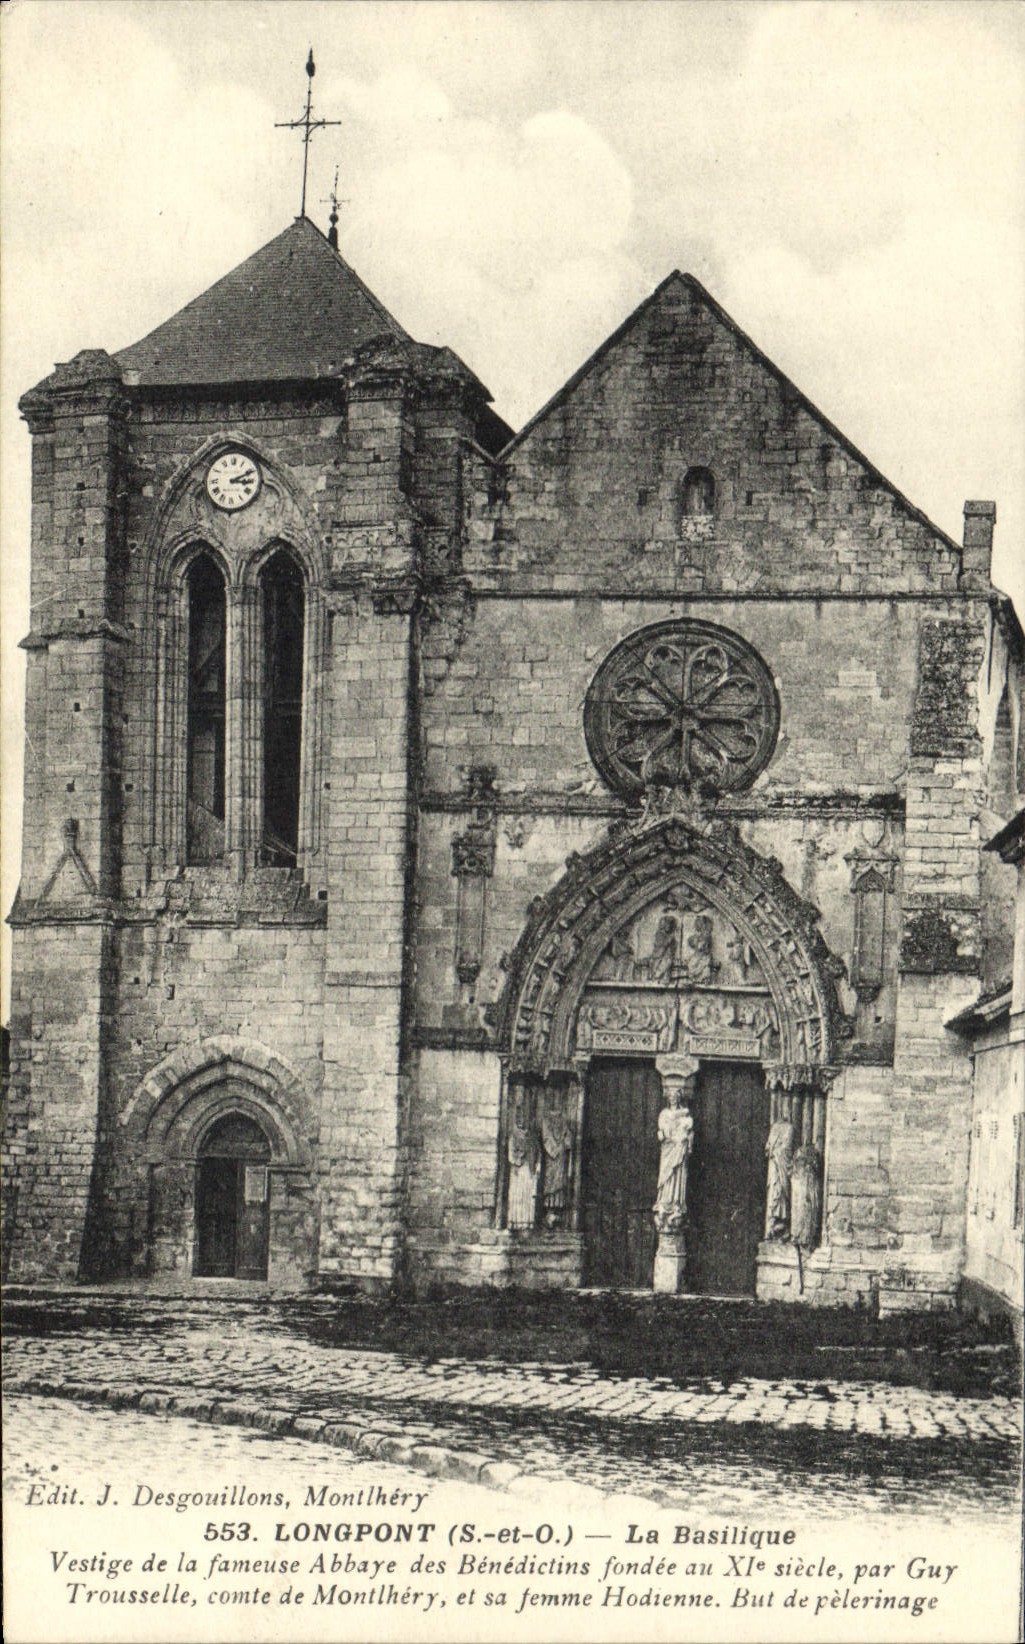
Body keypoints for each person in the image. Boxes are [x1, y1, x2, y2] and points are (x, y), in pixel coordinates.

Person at [654, 1087, 695, 1227]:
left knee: (677, 1176)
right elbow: (662, 1133)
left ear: (679, 1098)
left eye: (676, 1096)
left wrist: (686, 1140)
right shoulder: (664, 1114)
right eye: (670, 1096)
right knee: (666, 1177)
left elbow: (689, 1133)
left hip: (679, 1150)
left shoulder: (685, 1116)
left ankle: (676, 1204)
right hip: (668, 1150)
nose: (673, 1098)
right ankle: (665, 1205)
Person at [764, 1117, 795, 1239]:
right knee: (773, 1195)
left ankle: (783, 1225)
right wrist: (770, 1150)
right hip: (773, 1169)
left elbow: (787, 1148)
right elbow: (768, 1146)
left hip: (781, 1167)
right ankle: (772, 1226)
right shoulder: (774, 1127)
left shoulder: (789, 1128)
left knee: (781, 1193)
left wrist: (776, 1152)